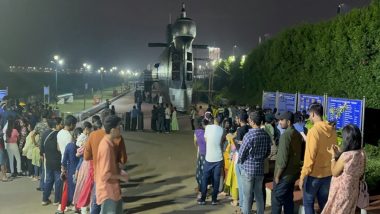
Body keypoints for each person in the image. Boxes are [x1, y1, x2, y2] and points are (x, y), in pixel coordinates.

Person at [84, 113, 127, 214]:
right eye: (119, 126)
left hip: (97, 176)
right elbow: (123, 159)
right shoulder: (117, 138)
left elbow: (86, 156)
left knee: (96, 204)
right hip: (111, 180)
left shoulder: (93, 135)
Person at [299, 103, 337, 214]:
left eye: (310, 115)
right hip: (328, 174)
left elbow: (309, 157)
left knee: (308, 203)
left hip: (314, 175)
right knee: (324, 204)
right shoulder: (332, 130)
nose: (309, 118)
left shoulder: (313, 132)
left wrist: (303, 175)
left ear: (313, 114)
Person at [321, 125, 366, 214]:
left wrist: (333, 156)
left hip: (340, 192)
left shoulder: (345, 156)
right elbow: (361, 173)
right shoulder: (362, 153)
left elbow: (334, 172)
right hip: (353, 191)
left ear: (347, 139)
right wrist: (340, 152)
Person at [238, 111, 271, 214]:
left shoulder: (248, 136)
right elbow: (268, 152)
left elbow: (241, 154)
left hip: (248, 169)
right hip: (260, 169)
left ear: (251, 121)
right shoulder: (266, 135)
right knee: (259, 195)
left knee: (247, 197)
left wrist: (243, 161)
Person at [95, 115, 128, 213]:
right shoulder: (106, 147)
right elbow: (105, 174)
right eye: (119, 127)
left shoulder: (109, 144)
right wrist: (121, 177)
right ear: (113, 130)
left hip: (112, 190)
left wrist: (119, 171)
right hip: (107, 191)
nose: (121, 129)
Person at [271, 112, 302, 214]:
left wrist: (277, 175)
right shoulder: (297, 134)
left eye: (281, 120)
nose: (279, 122)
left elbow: (282, 160)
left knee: (276, 198)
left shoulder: (285, 136)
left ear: (288, 122)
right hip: (293, 173)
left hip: (284, 174)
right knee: (288, 199)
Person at [198, 116, 224, 205]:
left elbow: (206, 140)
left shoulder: (208, 127)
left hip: (209, 157)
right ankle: (214, 199)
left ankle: (203, 199)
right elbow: (220, 142)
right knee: (216, 180)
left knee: (205, 178)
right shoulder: (222, 130)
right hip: (218, 158)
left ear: (214, 120)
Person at [41, 117, 64, 206]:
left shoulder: (45, 134)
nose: (62, 125)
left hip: (48, 161)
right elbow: (60, 148)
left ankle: (45, 199)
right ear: (57, 125)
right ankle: (56, 200)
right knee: (58, 181)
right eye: (60, 124)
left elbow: (42, 149)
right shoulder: (59, 135)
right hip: (57, 161)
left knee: (49, 180)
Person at [61, 127, 81, 210]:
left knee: (69, 189)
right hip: (80, 170)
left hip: (70, 170)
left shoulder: (69, 145)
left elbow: (64, 160)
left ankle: (67, 207)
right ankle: (77, 207)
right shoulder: (81, 147)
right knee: (79, 189)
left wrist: (63, 171)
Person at [194, 119, 208, 198]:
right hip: (207, 154)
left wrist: (198, 148)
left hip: (201, 153)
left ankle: (201, 191)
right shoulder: (206, 132)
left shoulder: (196, 132)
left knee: (199, 172)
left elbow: (195, 143)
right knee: (204, 172)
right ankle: (203, 190)